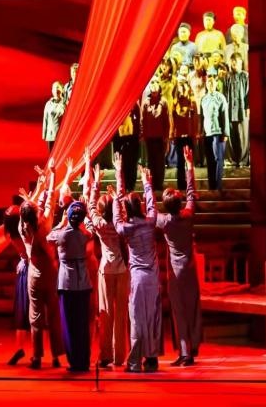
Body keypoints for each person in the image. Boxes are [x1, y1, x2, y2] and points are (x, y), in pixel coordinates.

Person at [112, 154, 160, 373]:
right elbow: (152, 206)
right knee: (152, 317)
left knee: (137, 319)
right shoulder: (150, 222)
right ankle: (151, 358)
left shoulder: (126, 228)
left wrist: (118, 175)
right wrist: (146, 183)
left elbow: (116, 216)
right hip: (153, 278)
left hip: (139, 280)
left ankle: (134, 362)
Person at [156, 146, 202, 367]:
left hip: (176, 272)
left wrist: (147, 185)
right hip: (190, 269)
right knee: (192, 306)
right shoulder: (188, 215)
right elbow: (191, 194)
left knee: (179, 310)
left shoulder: (165, 221)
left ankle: (186, 352)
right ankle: (193, 345)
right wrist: (189, 166)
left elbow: (149, 211)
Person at [19, 161, 64, 369]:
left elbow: (31, 208)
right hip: (50, 273)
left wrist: (39, 185)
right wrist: (51, 176)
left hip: (34, 275)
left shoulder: (23, 229)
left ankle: (37, 356)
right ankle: (56, 356)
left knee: (35, 316)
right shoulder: (44, 224)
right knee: (53, 314)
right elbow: (50, 200)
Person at [84, 156, 129, 368]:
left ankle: (105, 355)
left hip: (106, 270)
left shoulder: (100, 224)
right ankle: (120, 356)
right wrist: (119, 172)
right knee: (121, 313)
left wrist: (96, 182)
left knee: (106, 313)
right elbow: (121, 198)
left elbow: (91, 206)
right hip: (122, 270)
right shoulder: (120, 223)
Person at [47, 179, 92, 373]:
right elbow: (90, 228)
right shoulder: (84, 235)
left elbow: (49, 236)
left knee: (70, 324)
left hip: (67, 284)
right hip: (83, 283)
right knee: (82, 324)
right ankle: (84, 359)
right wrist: (85, 214)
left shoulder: (62, 235)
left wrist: (62, 222)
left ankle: (74, 361)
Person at [4, 202, 30, 366]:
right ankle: (38, 352)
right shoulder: (24, 232)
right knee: (34, 312)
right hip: (30, 270)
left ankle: (20, 348)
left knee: (22, 311)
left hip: (24, 270)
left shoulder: (9, 234)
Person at [200, 68, 228, 193]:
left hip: (218, 132)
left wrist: (225, 133)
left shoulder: (220, 97)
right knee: (210, 160)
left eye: (212, 82)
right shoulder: (203, 99)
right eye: (208, 82)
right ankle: (211, 185)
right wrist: (201, 131)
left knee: (218, 159)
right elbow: (202, 117)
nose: (210, 85)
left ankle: (218, 185)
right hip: (207, 133)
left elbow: (224, 115)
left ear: (216, 83)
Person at [142, 79, 170, 190]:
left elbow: (167, 120)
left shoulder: (163, 102)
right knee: (151, 161)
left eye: (156, 83)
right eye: (152, 83)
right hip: (149, 137)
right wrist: (143, 135)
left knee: (160, 162)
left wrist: (166, 137)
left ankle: (159, 184)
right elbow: (143, 120)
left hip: (160, 137)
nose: (154, 85)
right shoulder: (146, 102)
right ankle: (151, 184)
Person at [224, 53, 250, 167]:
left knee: (243, 136)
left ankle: (243, 160)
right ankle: (233, 160)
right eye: (232, 61)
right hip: (230, 111)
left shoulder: (245, 76)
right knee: (232, 136)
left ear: (240, 62)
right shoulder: (227, 77)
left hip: (241, 110)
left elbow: (248, 93)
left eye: (236, 61)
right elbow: (225, 93)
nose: (233, 64)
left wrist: (247, 107)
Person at [112, 103, 140, 192]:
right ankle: (122, 185)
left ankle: (130, 186)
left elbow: (138, 121)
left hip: (132, 138)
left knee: (131, 163)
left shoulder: (134, 106)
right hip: (119, 138)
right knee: (120, 163)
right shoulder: (117, 105)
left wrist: (138, 134)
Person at [42, 81, 66, 152]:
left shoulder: (63, 103)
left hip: (60, 135)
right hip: (50, 135)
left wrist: (62, 99)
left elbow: (62, 112)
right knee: (51, 154)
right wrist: (44, 134)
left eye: (58, 87)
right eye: (54, 88)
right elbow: (45, 119)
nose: (56, 90)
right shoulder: (48, 104)